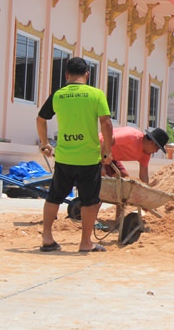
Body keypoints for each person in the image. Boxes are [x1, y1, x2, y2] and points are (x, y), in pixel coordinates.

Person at [36, 56, 113, 253]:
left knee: (54, 197)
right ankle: (85, 242)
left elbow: (41, 119)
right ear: (87, 74)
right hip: (88, 159)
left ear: (67, 75)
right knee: (90, 201)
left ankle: (47, 237)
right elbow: (106, 123)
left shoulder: (58, 95)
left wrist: (45, 143)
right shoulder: (96, 94)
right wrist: (107, 151)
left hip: (64, 158)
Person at [100, 126, 169, 184]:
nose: (156, 151)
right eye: (157, 148)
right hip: (98, 148)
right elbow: (106, 141)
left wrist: (146, 191)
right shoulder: (132, 137)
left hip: (111, 157)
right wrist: (102, 165)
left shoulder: (146, 154)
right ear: (152, 143)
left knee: (124, 179)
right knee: (103, 175)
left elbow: (143, 175)